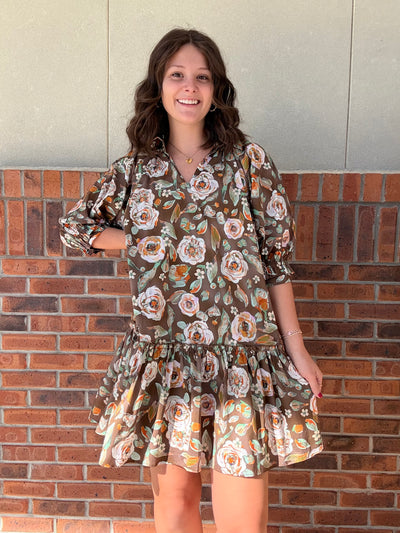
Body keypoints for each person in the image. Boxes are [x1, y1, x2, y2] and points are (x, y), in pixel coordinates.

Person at [59, 28, 323, 533]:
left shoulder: (248, 162)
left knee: (241, 517)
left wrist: (298, 349)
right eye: (177, 74)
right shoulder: (134, 171)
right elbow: (76, 227)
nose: (189, 87)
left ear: (216, 89)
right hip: (166, 358)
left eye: (202, 77)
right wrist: (137, 238)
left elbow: (276, 263)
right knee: (176, 506)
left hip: (241, 356)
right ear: (158, 85)